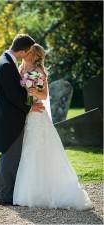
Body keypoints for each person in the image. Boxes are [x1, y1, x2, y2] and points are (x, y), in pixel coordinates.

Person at [13, 43, 92, 210]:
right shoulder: (21, 69)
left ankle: (45, 192)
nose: (25, 54)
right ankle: (31, 191)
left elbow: (43, 94)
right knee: (29, 150)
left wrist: (30, 91)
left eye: (29, 53)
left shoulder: (38, 72)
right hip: (27, 113)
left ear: (33, 55)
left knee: (38, 150)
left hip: (36, 115)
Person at [0, 34, 44, 205]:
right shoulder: (7, 65)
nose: (27, 54)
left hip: (6, 115)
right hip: (11, 117)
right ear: (23, 51)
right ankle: (5, 196)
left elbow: (17, 91)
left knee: (6, 153)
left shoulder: (2, 60)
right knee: (11, 156)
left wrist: (32, 98)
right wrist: (30, 107)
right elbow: (14, 95)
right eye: (27, 51)